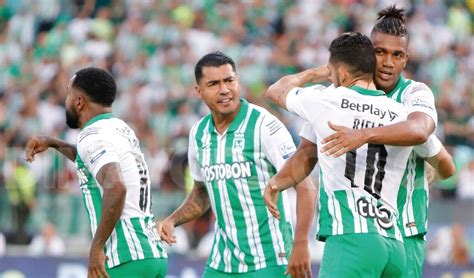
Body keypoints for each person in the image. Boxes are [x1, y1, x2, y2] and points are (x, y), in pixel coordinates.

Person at [264, 31, 449, 278]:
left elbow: (277, 90)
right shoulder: (401, 115)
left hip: (351, 237)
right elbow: (446, 165)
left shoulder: (326, 100)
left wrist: (314, 73)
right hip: (394, 244)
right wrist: (433, 168)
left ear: (340, 73)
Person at [317, 6, 455, 278]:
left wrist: (363, 135)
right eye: (380, 52)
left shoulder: (414, 94)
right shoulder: (341, 95)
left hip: (406, 229)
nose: (388, 62)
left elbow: (421, 132)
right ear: (368, 52)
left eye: (397, 55)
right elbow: (307, 152)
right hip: (355, 229)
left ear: (406, 59)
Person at [156, 51, 317, 278]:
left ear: (237, 81)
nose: (224, 90)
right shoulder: (198, 134)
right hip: (222, 263)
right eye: (213, 84)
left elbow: (306, 185)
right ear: (198, 91)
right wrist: (173, 220)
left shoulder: (264, 126)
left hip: (270, 259)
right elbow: (202, 194)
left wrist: (301, 244)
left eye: (229, 81)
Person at [25, 67, 167, 278]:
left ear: (79, 102)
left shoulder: (91, 136)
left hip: (124, 256)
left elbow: (116, 187)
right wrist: (54, 143)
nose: (66, 101)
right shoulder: (120, 128)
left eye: (68, 95)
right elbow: (94, 165)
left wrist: (96, 247)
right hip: (151, 253)